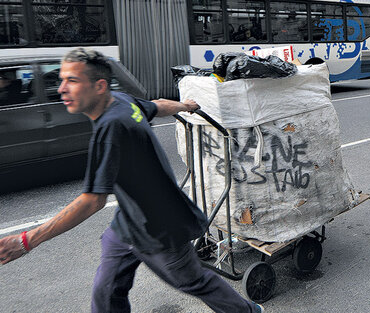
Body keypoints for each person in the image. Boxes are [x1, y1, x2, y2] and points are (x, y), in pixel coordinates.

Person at [0, 48, 264, 313]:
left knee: (194, 281)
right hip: (128, 222)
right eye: (62, 79)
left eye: (73, 81)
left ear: (99, 86)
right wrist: (186, 106)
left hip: (161, 228)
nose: (61, 89)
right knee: (107, 292)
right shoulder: (120, 100)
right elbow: (157, 106)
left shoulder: (111, 128)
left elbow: (92, 201)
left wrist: (28, 240)